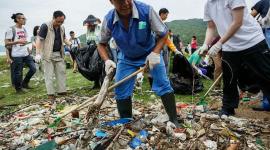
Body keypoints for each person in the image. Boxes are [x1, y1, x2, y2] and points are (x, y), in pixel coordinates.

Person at [98, 0, 181, 128]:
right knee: (120, 89)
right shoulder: (109, 19)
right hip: (126, 57)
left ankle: (174, 120)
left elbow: (163, 34)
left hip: (150, 54)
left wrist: (155, 53)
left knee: (163, 84)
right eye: (120, 0)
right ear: (111, 1)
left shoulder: (146, 11)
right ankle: (127, 122)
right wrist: (107, 60)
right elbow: (101, 44)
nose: (125, 3)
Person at [199, 0, 270, 116]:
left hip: (252, 41)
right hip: (230, 47)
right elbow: (211, 27)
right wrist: (206, 44)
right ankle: (228, 108)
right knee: (229, 79)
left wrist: (219, 43)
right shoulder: (208, 4)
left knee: (266, 75)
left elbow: (237, 22)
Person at [35, 11, 72, 100]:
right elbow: (39, 40)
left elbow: (64, 38)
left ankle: (61, 90)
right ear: (53, 18)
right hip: (48, 54)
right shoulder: (45, 26)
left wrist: (70, 45)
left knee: (61, 72)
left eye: (62, 22)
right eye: (58, 21)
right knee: (49, 75)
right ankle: (50, 93)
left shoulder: (62, 27)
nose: (59, 23)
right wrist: (38, 54)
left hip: (58, 53)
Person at [5, 13, 36, 94]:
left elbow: (25, 43)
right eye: (23, 18)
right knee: (17, 72)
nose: (25, 20)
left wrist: (29, 52)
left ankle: (25, 83)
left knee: (33, 68)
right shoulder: (11, 30)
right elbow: (7, 43)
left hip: (25, 53)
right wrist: (19, 41)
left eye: (25, 18)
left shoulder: (24, 30)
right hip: (16, 54)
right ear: (17, 19)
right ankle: (18, 88)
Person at [158, 8, 182, 75]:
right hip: (154, 49)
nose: (166, 17)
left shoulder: (164, 25)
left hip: (161, 48)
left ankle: (162, 77)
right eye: (166, 15)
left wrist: (175, 50)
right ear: (162, 14)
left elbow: (167, 40)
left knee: (162, 65)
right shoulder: (154, 23)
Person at [83, 14, 103, 89]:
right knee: (93, 67)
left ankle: (103, 82)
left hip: (100, 51)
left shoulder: (100, 29)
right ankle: (96, 83)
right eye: (90, 25)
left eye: (92, 25)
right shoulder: (89, 32)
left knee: (100, 67)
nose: (91, 26)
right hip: (92, 52)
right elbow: (87, 41)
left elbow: (102, 39)